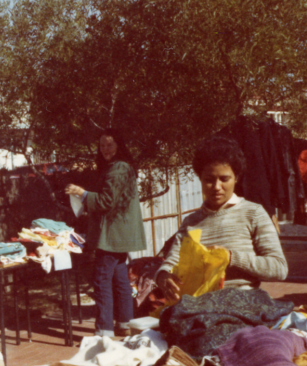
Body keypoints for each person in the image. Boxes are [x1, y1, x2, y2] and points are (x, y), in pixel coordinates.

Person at [156, 136, 288, 301]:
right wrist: (163, 275)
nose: (217, 187)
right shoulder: (191, 222)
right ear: (200, 179)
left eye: (224, 179)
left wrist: (232, 257)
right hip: (197, 303)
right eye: (209, 180)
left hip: (242, 302)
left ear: (236, 177)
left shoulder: (253, 213)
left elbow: (279, 268)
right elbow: (172, 261)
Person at [64, 129, 146, 337]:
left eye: (110, 144)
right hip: (118, 233)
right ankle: (125, 323)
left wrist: (82, 194)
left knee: (101, 280)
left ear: (118, 145)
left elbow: (106, 201)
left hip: (112, 235)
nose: (105, 149)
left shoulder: (118, 169)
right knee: (120, 279)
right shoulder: (120, 167)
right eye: (102, 145)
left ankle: (104, 330)